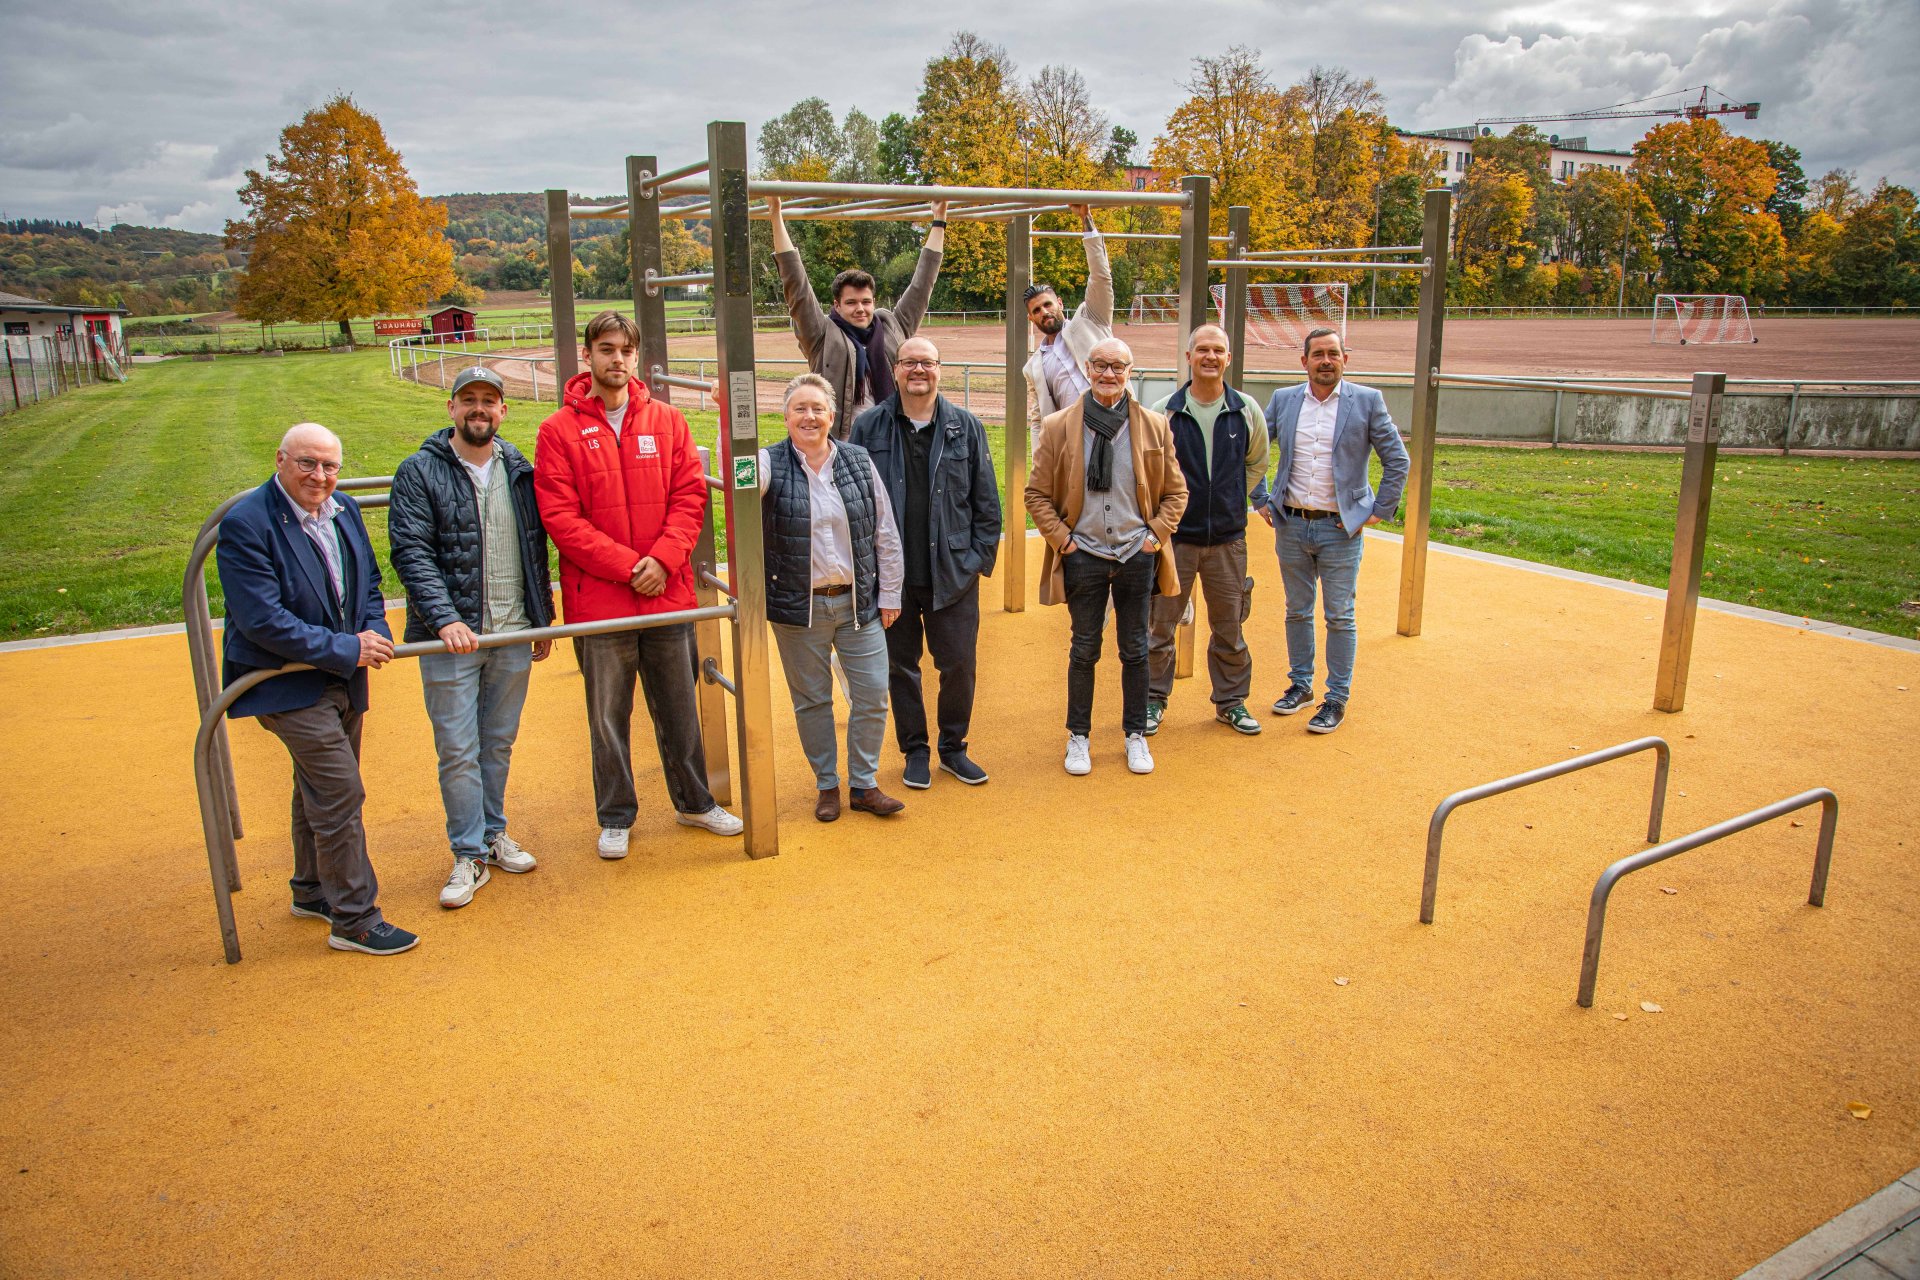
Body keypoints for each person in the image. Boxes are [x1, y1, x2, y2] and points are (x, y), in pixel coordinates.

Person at [534, 311, 741, 858]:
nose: (617, 359)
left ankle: (696, 803)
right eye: (606, 349)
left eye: (626, 350)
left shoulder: (668, 422)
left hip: (666, 592)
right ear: (588, 356)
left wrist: (664, 559)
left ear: (637, 356)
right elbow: (561, 517)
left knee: (678, 706)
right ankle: (616, 815)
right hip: (601, 600)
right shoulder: (558, 431)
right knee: (607, 715)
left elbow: (690, 496)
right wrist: (632, 566)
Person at [216, 423, 415, 955]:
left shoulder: (343, 510)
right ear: (280, 459)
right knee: (339, 790)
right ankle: (354, 918)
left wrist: (373, 634)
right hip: (282, 680)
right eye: (307, 463)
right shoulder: (248, 523)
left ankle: (310, 890)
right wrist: (348, 648)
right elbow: (262, 620)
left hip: (340, 676)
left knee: (319, 788)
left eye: (330, 466)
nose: (320, 476)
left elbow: (368, 582)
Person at [388, 366, 554, 910]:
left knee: (497, 741)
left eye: (490, 401)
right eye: (468, 401)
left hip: (510, 630)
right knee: (458, 748)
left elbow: (534, 548)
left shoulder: (519, 470)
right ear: (452, 409)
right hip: (450, 639)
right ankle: (468, 851)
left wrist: (541, 616)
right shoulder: (420, 471)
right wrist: (443, 619)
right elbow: (411, 551)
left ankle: (493, 831)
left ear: (504, 411)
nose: (479, 409)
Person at [1024, 338, 1188, 777]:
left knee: (1135, 648)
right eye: (1100, 365)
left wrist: (1154, 537)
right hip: (1084, 554)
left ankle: (1135, 735)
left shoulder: (1154, 425)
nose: (1108, 374)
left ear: (1130, 371)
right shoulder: (1061, 425)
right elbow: (1036, 493)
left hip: (1137, 552)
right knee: (1084, 648)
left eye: (1118, 366)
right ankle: (1078, 737)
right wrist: (1064, 540)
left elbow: (1176, 492)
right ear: (1088, 368)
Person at [848, 336, 1002, 790]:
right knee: (900, 667)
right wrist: (868, 571)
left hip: (952, 575)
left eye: (927, 363)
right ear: (895, 370)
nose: (919, 370)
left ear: (940, 369)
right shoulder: (869, 427)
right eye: (909, 362)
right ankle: (914, 749)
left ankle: (953, 749)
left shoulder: (965, 427)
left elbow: (987, 504)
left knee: (958, 665)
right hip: (891, 578)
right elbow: (855, 502)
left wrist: (975, 560)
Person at [759, 373, 906, 822]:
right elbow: (737, 482)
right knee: (813, 701)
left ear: (832, 415)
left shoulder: (858, 461)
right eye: (800, 408)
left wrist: (890, 593)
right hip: (798, 609)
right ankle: (827, 784)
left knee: (873, 695)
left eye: (817, 408)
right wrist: (731, 418)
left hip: (856, 603)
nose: (809, 416)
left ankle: (863, 783)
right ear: (785, 416)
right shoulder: (767, 462)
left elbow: (884, 531)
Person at [1253, 327, 1410, 734]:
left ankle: (1336, 697)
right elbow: (1255, 451)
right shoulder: (1285, 400)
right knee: (1296, 610)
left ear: (1345, 359)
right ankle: (1300, 685)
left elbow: (1398, 460)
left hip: (1341, 530)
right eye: (1318, 354)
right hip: (1290, 524)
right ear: (1303, 361)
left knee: (1340, 616)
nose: (1326, 360)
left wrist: (1376, 511)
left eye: (1333, 354)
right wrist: (1259, 498)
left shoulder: (1368, 401)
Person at [1144, 324, 1270, 737]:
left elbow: (1256, 465)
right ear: (1189, 357)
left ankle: (1231, 702)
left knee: (1229, 627)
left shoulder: (1246, 410)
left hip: (1228, 542)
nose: (1210, 357)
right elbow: (1152, 470)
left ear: (1228, 359)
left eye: (1218, 350)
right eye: (1202, 350)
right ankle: (1152, 700)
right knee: (1160, 626)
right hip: (1176, 540)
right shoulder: (1165, 410)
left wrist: (1231, 499)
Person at [768, 194, 948, 437]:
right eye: (851, 302)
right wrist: (775, 214)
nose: (860, 309)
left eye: (866, 302)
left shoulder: (892, 327)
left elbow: (922, 285)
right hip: (844, 443)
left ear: (874, 302)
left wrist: (939, 220)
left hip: (892, 439)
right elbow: (796, 287)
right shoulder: (822, 335)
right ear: (837, 305)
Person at [1022, 204, 1113, 456]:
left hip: (1116, 431)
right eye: (1037, 310)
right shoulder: (1034, 366)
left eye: (1048, 304)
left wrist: (1086, 220)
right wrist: (1040, 467)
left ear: (1059, 303)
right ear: (1031, 318)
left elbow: (1100, 277)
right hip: (1073, 446)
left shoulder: (1090, 320)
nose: (1045, 312)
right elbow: (1038, 419)